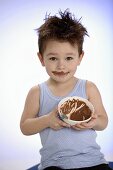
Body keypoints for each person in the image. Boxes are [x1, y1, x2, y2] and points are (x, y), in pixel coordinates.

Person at [20, 9, 112, 170]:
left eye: (69, 58)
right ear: (41, 58)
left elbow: (103, 122)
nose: (61, 65)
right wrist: (47, 120)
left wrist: (93, 122)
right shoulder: (37, 92)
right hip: (55, 163)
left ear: (80, 58)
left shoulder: (88, 87)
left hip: (91, 160)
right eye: (53, 58)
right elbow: (25, 127)